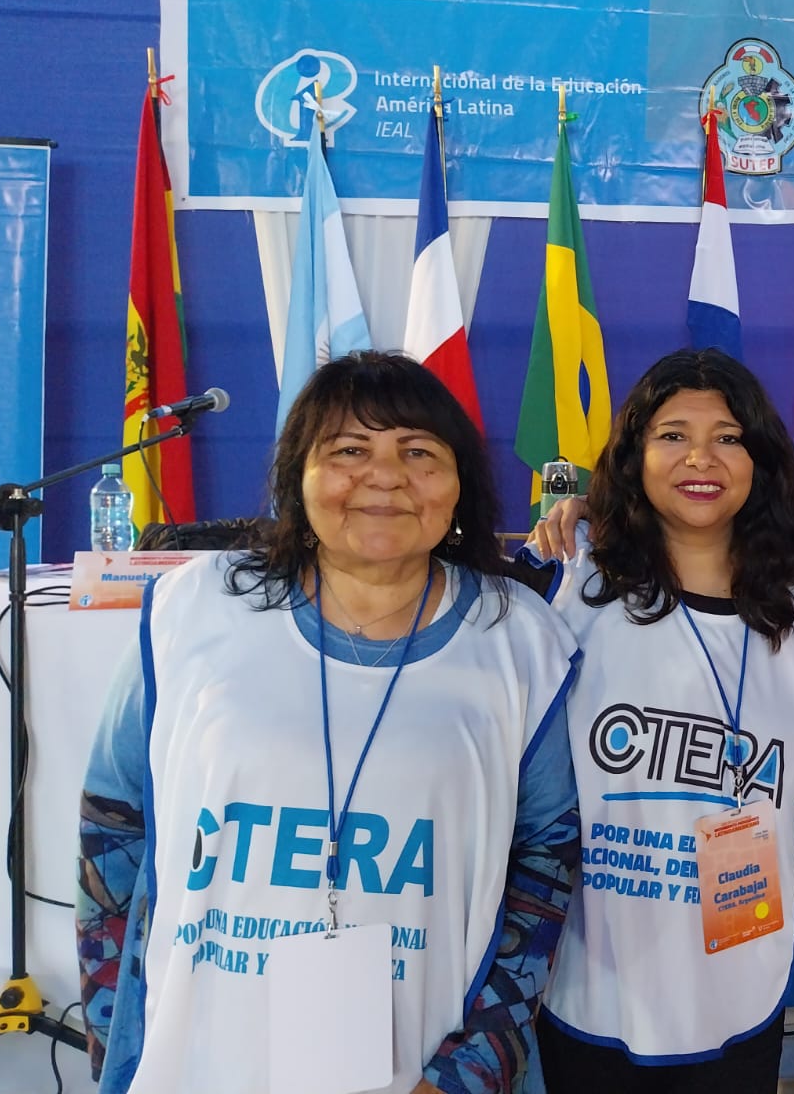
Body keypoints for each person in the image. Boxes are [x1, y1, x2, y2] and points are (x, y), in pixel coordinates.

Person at [75, 351, 581, 1094]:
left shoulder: (518, 639)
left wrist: (469, 1071)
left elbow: (547, 862)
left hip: (421, 1060)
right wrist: (116, 1028)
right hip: (203, 1057)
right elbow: (112, 824)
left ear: (460, 485)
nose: (385, 476)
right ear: (298, 475)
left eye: (419, 452)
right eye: (349, 450)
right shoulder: (196, 609)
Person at [530, 349, 794, 1094]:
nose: (700, 457)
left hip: (741, 991)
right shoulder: (572, 589)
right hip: (593, 992)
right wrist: (585, 516)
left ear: (760, 460)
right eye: (672, 435)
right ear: (633, 455)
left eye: (728, 437)